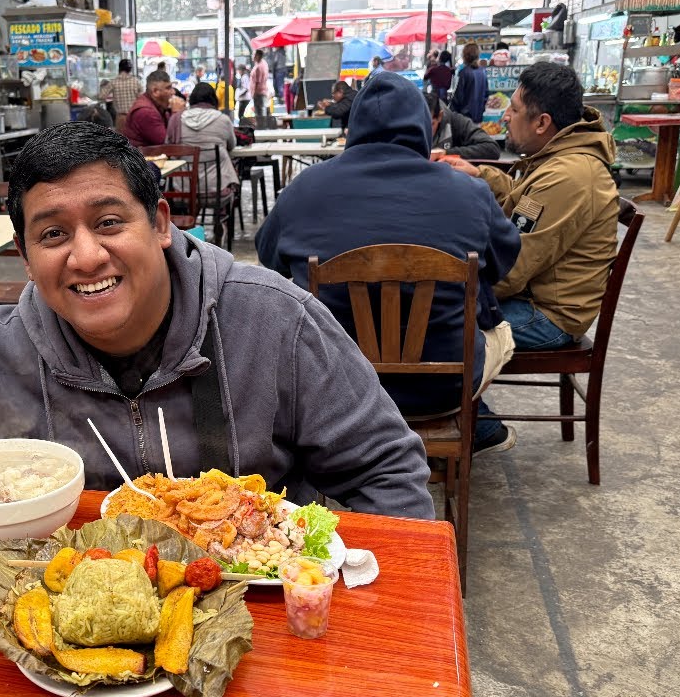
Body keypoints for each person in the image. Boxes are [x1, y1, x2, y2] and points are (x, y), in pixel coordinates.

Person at [0, 121, 434, 520]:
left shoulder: (275, 321)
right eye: (52, 234)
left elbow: (387, 473)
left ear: (158, 223)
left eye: (108, 222)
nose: (86, 255)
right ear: (25, 255)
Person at [258, 73, 521, 417]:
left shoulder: (305, 188)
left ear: (354, 126)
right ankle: (476, 426)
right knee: (499, 331)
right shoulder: (470, 192)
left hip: (334, 392)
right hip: (443, 391)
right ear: (424, 127)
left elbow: (269, 257)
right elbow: (503, 261)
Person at [440, 62, 619, 454]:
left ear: (542, 122)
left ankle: (477, 426)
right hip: (540, 296)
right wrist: (480, 175)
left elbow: (514, 269)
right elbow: (528, 201)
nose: (506, 116)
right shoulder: (560, 155)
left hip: (550, 314)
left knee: (438, 327)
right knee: (438, 311)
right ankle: (466, 417)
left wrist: (454, 288)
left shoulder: (570, 176)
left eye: (515, 109)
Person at [166, 82, 240, 199]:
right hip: (218, 187)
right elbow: (231, 145)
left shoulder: (176, 120)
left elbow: (168, 147)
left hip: (184, 188)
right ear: (214, 99)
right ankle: (220, 215)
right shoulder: (223, 119)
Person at [425, 91, 501, 160]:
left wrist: (446, 153)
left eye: (429, 125)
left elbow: (492, 149)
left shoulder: (456, 123)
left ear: (440, 116)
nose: (424, 132)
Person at [121, 70, 174, 148]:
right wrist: (176, 113)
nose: (173, 92)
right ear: (155, 91)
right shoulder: (145, 112)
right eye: (168, 88)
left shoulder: (156, 105)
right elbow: (167, 143)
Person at [451, 44, 489, 124]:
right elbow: (486, 94)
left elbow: (458, 98)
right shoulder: (483, 71)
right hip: (479, 116)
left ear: (465, 56)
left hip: (465, 117)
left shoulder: (463, 72)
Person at [102, 58, 142, 127]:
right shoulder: (136, 81)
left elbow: (102, 96)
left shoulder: (114, 82)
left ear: (119, 69)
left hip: (121, 118)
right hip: (134, 116)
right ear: (130, 69)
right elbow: (142, 98)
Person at [250, 49, 271, 128]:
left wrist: (254, 93)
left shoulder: (259, 67)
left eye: (254, 54)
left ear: (257, 56)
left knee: (260, 112)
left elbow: (257, 82)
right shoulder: (264, 63)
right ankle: (263, 128)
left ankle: (262, 128)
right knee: (263, 110)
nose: (253, 56)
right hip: (263, 91)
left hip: (259, 92)